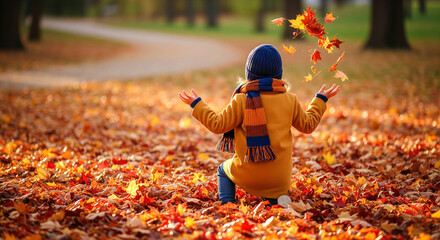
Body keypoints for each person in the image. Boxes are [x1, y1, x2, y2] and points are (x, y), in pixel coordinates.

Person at [178, 44, 340, 207]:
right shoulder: (290, 100)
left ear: (249, 74)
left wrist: (197, 104)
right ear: (279, 74)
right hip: (280, 180)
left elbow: (217, 124)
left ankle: (228, 204)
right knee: (272, 192)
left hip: (248, 175)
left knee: (223, 170)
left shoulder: (242, 100)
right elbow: (308, 125)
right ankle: (273, 200)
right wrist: (320, 99)